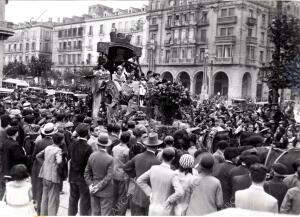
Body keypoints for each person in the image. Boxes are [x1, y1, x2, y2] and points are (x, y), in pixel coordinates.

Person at [123, 132, 161, 216]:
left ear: (146, 145)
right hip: (150, 195)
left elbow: (126, 167)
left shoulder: (138, 157)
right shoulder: (158, 162)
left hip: (137, 193)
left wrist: (135, 175)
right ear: (157, 147)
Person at [137, 147, 184, 216]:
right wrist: (169, 200)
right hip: (165, 210)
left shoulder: (153, 168)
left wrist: (150, 193)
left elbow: (139, 180)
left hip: (152, 207)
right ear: (173, 158)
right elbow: (180, 192)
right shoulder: (173, 174)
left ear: (162, 156)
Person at [84, 133, 114, 216]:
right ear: (107, 145)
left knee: (95, 213)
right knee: (105, 213)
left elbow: (86, 173)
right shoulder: (110, 159)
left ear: (97, 144)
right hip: (106, 190)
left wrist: (91, 185)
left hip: (93, 188)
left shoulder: (92, 156)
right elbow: (109, 176)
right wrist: (99, 186)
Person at [68, 123, 93, 216]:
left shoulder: (72, 144)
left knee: (72, 199)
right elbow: (88, 165)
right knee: (84, 200)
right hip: (82, 178)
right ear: (87, 133)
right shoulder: (88, 147)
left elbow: (70, 158)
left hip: (72, 176)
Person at [31, 123, 56, 215]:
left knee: (38, 187)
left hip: (38, 167)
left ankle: (38, 206)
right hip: (49, 168)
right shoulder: (54, 143)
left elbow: (34, 156)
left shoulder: (38, 142)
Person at [37, 132, 64, 216]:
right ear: (61, 141)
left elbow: (37, 156)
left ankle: (43, 214)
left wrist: (45, 164)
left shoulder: (48, 147)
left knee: (44, 198)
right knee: (53, 199)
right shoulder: (58, 150)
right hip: (53, 177)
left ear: (52, 139)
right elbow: (59, 161)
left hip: (44, 174)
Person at [111, 131, 130, 215]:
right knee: (122, 196)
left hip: (113, 173)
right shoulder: (127, 150)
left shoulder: (114, 148)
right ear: (128, 140)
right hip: (123, 175)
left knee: (114, 195)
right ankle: (120, 214)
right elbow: (128, 164)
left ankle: (113, 213)